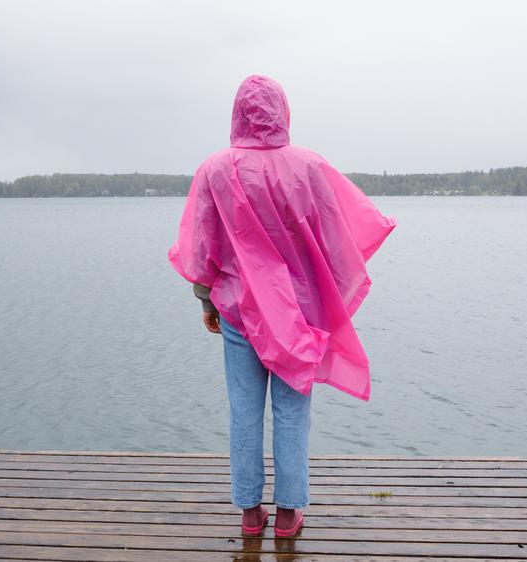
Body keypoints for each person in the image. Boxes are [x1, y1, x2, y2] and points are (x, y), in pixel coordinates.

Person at [168, 75, 395, 537]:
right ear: (281, 111)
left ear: (236, 113)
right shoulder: (308, 167)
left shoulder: (214, 169)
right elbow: (336, 239)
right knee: (292, 411)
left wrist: (205, 303)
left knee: (243, 409)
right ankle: (289, 513)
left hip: (239, 309)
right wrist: (330, 299)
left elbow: (201, 246)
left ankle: (250, 513)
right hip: (299, 313)